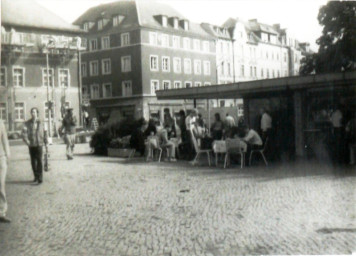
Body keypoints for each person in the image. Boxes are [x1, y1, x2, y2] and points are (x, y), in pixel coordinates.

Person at [22, 107, 48, 184]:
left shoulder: (42, 122)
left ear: (37, 113)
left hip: (39, 144)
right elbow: (24, 133)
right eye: (32, 112)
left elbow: (45, 133)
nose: (33, 114)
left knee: (39, 161)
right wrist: (27, 141)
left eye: (35, 112)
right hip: (31, 145)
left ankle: (40, 178)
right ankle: (36, 177)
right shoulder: (27, 123)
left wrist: (46, 143)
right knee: (33, 161)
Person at [0, 120, 11, 223]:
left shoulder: (0, 123)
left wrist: (8, 155)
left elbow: (5, 141)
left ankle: (2, 212)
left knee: (0, 184)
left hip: (1, 158)